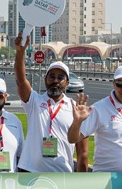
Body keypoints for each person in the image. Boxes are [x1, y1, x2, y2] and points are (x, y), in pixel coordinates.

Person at [13, 38, 86, 173]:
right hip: (30, 171)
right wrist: (20, 52)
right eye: (51, 76)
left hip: (61, 174)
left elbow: (82, 152)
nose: (55, 81)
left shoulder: (74, 108)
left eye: (60, 77)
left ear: (67, 83)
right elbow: (20, 80)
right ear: (45, 79)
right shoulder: (34, 101)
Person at [69, 65, 122, 174]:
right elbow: (72, 139)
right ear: (113, 83)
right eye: (120, 84)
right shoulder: (98, 108)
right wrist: (77, 122)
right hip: (106, 180)